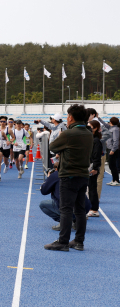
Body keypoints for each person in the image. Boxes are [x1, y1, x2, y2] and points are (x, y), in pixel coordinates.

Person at [44, 104, 92, 252]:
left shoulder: (68, 134)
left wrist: (60, 138)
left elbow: (52, 147)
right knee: (80, 209)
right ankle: (79, 241)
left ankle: (63, 242)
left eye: (67, 116)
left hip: (68, 175)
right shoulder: (89, 133)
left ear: (71, 117)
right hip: (83, 175)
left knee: (65, 209)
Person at [86, 120, 104, 218]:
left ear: (95, 128)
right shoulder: (91, 139)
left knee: (92, 188)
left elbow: (97, 156)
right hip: (89, 165)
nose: (88, 129)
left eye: (90, 127)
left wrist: (95, 168)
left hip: (92, 167)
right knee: (89, 188)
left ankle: (94, 209)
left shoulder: (96, 141)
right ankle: (91, 207)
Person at [106, 117, 120, 186]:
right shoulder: (111, 128)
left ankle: (116, 180)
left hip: (113, 149)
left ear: (111, 122)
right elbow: (105, 125)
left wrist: (113, 150)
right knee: (111, 165)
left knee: (113, 165)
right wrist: (98, 118)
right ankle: (113, 179)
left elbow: (116, 140)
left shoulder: (115, 129)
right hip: (110, 148)